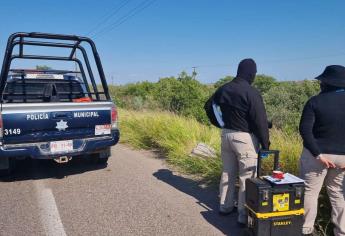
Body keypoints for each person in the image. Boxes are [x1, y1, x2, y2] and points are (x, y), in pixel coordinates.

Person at [214, 58, 270, 225]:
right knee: (247, 176)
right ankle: (242, 215)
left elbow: (209, 106)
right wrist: (265, 144)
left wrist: (219, 123)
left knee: (228, 172)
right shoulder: (251, 92)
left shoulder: (224, 88)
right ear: (251, 73)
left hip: (226, 135)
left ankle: (225, 207)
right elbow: (259, 120)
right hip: (244, 138)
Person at [299, 65, 345, 236]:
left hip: (317, 155)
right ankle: (341, 231)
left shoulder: (315, 101)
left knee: (310, 192)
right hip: (343, 159)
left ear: (326, 83)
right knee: (338, 194)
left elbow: (305, 130)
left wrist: (317, 153)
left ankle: (306, 229)